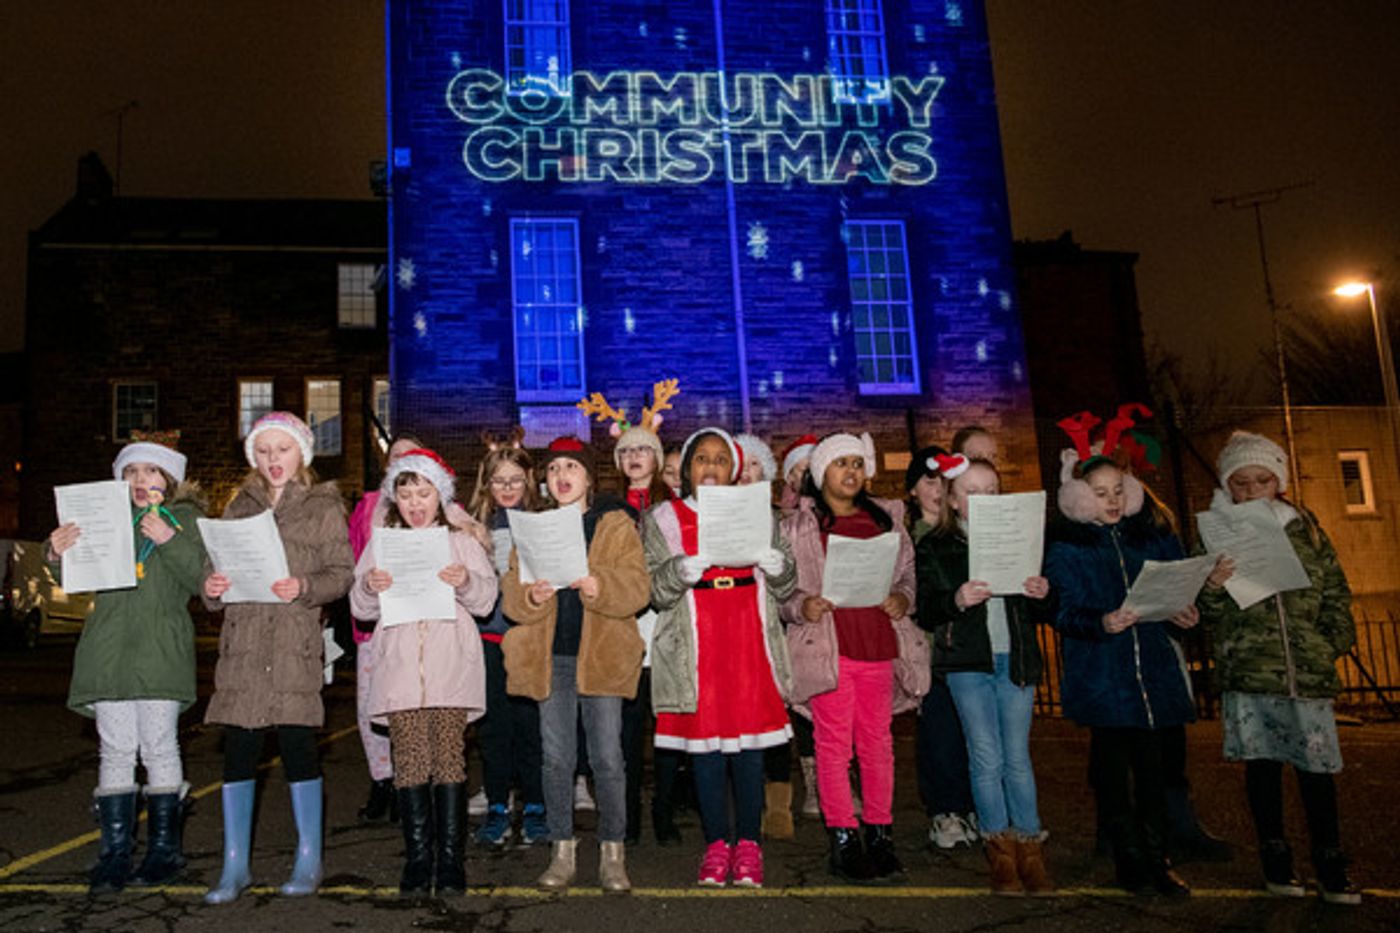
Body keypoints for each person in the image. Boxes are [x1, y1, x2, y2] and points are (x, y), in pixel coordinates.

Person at [1196, 431, 1360, 905]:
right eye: (1241, 483)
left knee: (1316, 771)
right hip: (1251, 673)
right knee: (1263, 769)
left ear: (1279, 482)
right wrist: (1212, 585)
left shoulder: (1307, 529)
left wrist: (1328, 643)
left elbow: (1336, 591)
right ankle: (1276, 859)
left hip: (1305, 671)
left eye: (1262, 480)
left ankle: (1330, 862)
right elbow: (1204, 612)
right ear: (1228, 487)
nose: (1252, 491)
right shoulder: (1216, 533)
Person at [202, 412, 354, 904]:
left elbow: (342, 573)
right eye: (263, 451)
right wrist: (212, 586)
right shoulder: (238, 506)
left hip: (292, 644)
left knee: (297, 746)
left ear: (301, 454)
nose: (273, 459)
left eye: (282, 449)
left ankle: (308, 857)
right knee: (240, 750)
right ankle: (235, 864)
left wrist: (305, 586)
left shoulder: (322, 506)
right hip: (244, 645)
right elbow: (212, 568)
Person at [46, 438, 207, 893]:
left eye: (151, 471)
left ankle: (164, 851)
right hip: (108, 652)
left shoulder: (186, 520)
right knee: (115, 751)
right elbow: (72, 576)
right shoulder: (106, 519)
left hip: (160, 654)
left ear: (169, 480)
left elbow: (201, 578)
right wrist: (55, 552)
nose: (140, 480)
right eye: (131, 472)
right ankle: (114, 852)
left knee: (159, 748)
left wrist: (169, 540)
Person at [644, 428, 797, 887]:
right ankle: (716, 844)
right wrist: (677, 572)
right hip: (696, 645)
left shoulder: (760, 513)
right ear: (686, 469)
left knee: (749, 750)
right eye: (700, 458)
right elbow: (654, 590)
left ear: (734, 470)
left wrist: (779, 568)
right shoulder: (663, 518)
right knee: (705, 752)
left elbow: (788, 585)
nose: (710, 466)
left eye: (720, 459)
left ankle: (749, 843)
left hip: (748, 639)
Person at [1043, 448, 1197, 897]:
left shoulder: (1149, 539)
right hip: (1104, 678)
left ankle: (1158, 859)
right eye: (1099, 493)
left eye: (1117, 491)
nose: (1111, 500)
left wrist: (1183, 615)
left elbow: (1173, 595)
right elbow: (1062, 613)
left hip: (1151, 675)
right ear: (1078, 498)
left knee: (1154, 776)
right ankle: (1129, 859)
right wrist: (1101, 621)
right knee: (1113, 778)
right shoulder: (1069, 549)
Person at [500, 437, 650, 894]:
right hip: (552, 659)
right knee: (556, 758)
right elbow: (511, 593)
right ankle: (561, 850)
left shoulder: (614, 524)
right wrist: (531, 596)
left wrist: (600, 585)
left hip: (601, 657)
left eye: (571, 467)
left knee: (608, 758)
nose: (561, 475)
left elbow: (638, 587)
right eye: (552, 469)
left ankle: (613, 854)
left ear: (589, 476)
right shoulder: (534, 527)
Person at [781, 433, 929, 883]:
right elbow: (781, 588)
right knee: (833, 747)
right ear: (820, 472)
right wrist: (800, 605)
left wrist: (903, 597)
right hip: (830, 649)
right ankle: (844, 838)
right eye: (840, 463)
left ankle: (880, 834)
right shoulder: (799, 526)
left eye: (857, 463)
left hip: (878, 645)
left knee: (877, 745)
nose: (851, 471)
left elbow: (908, 574)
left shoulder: (886, 519)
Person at [352, 447, 496, 896]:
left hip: (449, 665)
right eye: (406, 494)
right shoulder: (383, 543)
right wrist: (370, 586)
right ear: (395, 499)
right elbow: (359, 607)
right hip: (399, 668)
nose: (415, 503)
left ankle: (450, 859)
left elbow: (486, 600)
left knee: (449, 758)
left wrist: (465, 581)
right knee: (411, 762)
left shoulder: (461, 541)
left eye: (424, 493)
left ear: (441, 495)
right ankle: (418, 858)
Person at [916, 455, 1054, 895]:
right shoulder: (937, 546)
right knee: (986, 756)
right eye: (971, 492)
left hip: (1015, 657)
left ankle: (1030, 847)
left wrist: (1042, 593)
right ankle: (1000, 851)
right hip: (967, 661)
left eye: (991, 491)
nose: (983, 498)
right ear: (953, 500)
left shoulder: (1021, 538)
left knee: (1017, 757)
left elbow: (1046, 608)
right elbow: (927, 609)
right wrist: (956, 599)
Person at [466, 440, 548, 849]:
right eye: (499, 481)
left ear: (529, 480)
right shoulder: (474, 524)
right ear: (487, 484)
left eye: (515, 480)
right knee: (494, 728)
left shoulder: (543, 520)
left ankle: (535, 805)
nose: (508, 488)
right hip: (488, 635)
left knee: (530, 726)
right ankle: (497, 804)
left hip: (529, 636)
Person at [904, 445, 980, 852]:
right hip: (930, 651)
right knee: (940, 733)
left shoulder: (966, 536)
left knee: (973, 734)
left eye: (944, 482)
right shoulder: (909, 539)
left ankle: (971, 806)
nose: (937, 489)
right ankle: (945, 810)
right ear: (913, 490)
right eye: (929, 481)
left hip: (967, 649)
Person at [613, 421, 684, 846]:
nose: (633, 457)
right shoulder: (608, 509)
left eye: (641, 450)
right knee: (627, 729)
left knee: (668, 728)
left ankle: (664, 810)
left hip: (667, 626)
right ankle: (628, 813)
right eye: (625, 451)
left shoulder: (674, 509)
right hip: (626, 630)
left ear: (656, 458)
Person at [347, 433, 425, 825]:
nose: (402, 460)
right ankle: (382, 779)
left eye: (411, 455)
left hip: (419, 623)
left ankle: (410, 784)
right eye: (396, 455)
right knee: (369, 706)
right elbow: (351, 558)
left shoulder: (438, 504)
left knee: (411, 707)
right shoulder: (368, 506)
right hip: (374, 623)